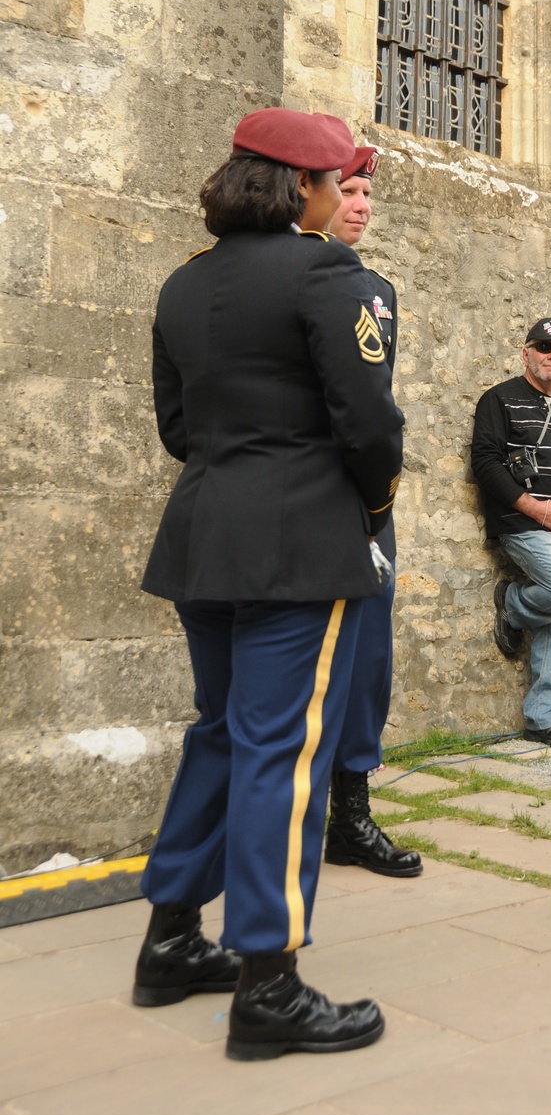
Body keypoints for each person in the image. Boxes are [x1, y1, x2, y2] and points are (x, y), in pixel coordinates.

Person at [133, 108, 405, 1060]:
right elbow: (369, 423)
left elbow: (177, 426)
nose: (342, 198)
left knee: (218, 732)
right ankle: (270, 982)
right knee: (280, 751)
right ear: (304, 190)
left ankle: (170, 938)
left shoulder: (184, 282)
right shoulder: (326, 271)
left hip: (207, 531)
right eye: (337, 183)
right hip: (297, 538)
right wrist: (371, 510)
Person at [293, 145, 422, 879]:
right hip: (305, 496)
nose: (361, 204)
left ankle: (353, 814)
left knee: (367, 657)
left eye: (368, 191)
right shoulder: (285, 278)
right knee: (301, 663)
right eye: (347, 189)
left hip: (367, 503)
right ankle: (292, 818)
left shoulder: (377, 289)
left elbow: (373, 405)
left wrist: (377, 505)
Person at [471, 320, 551, 750]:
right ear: (526, 353)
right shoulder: (498, 399)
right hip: (525, 526)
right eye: (545, 347)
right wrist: (538, 511)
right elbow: (486, 465)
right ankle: (514, 603)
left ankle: (543, 718)